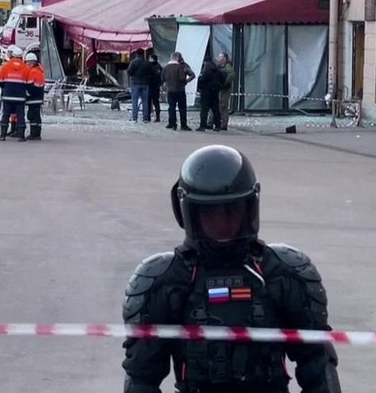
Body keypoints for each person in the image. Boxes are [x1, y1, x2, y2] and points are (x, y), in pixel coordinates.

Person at [121, 145, 341, 393]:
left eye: (231, 212)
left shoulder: (283, 274)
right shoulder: (165, 282)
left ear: (249, 209)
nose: (221, 223)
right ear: (189, 213)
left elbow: (318, 366)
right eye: (211, 215)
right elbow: (142, 379)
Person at [0, 45, 29, 142]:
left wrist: (5, 87)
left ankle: (2, 135)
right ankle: (21, 136)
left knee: (5, 115)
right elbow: (29, 82)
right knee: (20, 116)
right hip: (20, 97)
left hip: (7, 96)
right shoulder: (25, 68)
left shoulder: (6, 66)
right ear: (21, 56)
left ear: (13, 56)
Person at [161, 51, 195, 131]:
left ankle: (172, 124)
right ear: (178, 58)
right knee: (182, 108)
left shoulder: (165, 68)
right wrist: (186, 81)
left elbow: (162, 79)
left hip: (170, 90)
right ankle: (183, 125)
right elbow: (185, 77)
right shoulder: (181, 67)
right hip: (180, 90)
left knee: (171, 107)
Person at [197, 59, 225, 132]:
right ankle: (217, 126)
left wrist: (200, 88)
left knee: (204, 110)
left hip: (205, 94)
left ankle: (202, 126)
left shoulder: (205, 72)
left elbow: (201, 82)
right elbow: (223, 81)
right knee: (215, 110)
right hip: (215, 93)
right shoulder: (218, 72)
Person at [24, 52, 45, 141]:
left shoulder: (33, 72)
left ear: (31, 62)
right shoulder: (39, 71)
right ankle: (37, 133)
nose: (26, 64)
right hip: (38, 97)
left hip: (33, 98)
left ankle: (34, 134)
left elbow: (31, 86)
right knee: (36, 116)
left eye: (27, 62)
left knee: (32, 116)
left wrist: (27, 94)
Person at [126, 49, 150, 123]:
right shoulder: (147, 62)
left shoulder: (133, 62)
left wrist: (133, 75)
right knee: (145, 101)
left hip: (135, 83)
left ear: (136, 54)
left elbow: (129, 71)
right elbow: (151, 72)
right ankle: (145, 118)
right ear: (143, 54)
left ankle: (134, 117)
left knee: (135, 101)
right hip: (145, 83)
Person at [217, 52, 236, 131]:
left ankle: (224, 124)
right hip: (220, 89)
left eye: (221, 57)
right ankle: (216, 122)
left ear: (225, 58)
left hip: (225, 89)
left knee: (223, 106)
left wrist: (225, 83)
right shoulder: (219, 67)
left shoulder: (227, 67)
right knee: (218, 105)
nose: (219, 59)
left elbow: (232, 75)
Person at [147, 54, 163, 123]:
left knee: (148, 102)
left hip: (150, 86)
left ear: (152, 58)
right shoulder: (159, 66)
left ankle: (148, 117)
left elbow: (148, 75)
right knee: (156, 102)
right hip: (156, 87)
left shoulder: (149, 66)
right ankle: (158, 117)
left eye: (149, 58)